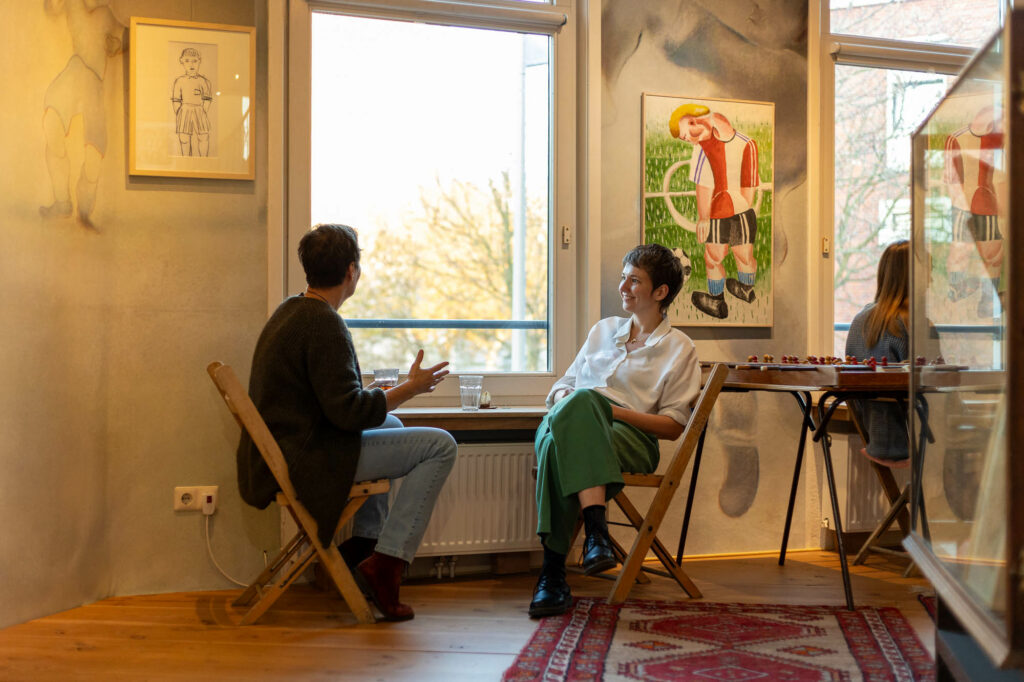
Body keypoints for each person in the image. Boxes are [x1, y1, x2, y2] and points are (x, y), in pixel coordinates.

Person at [237, 223, 457, 621]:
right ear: (352, 272)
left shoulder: (293, 310)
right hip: (308, 456)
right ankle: (386, 565)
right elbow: (349, 413)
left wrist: (373, 391)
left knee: (391, 427)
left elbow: (326, 398)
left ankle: (365, 546)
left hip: (291, 447)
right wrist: (411, 388)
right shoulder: (324, 323)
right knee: (441, 445)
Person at [529, 244, 700, 618]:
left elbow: (672, 426)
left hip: (627, 438)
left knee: (575, 420)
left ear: (660, 293)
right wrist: (571, 401)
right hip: (569, 426)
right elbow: (560, 387)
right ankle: (596, 535)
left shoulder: (678, 348)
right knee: (572, 413)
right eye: (623, 277)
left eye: (634, 280)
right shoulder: (602, 330)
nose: (623, 286)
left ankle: (552, 575)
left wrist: (611, 411)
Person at [669, 104, 760, 320]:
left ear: (693, 121)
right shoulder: (749, 144)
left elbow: (704, 185)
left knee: (713, 257)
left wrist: (704, 218)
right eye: (685, 139)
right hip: (743, 211)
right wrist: (740, 206)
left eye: (687, 133)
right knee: (744, 255)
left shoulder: (703, 149)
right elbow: (750, 187)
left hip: (719, 210)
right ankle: (746, 289)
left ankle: (717, 301)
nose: (690, 139)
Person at [844, 240, 911, 466]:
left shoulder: (860, 320)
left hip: (875, 438)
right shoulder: (911, 321)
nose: (931, 280)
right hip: (909, 443)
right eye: (927, 272)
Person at [171, 47, 213, 157]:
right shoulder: (179, 81)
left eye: (195, 61)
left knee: (203, 136)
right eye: (187, 61)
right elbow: (176, 100)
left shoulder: (203, 81)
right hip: (184, 110)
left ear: (199, 61)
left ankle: (204, 160)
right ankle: (186, 160)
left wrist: (203, 111)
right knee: (184, 138)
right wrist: (179, 113)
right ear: (182, 61)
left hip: (199, 109)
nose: (191, 64)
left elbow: (207, 99)